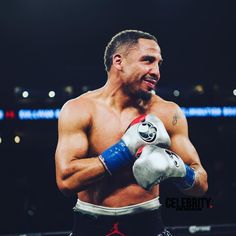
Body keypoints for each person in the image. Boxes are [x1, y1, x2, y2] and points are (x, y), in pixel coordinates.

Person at [55, 29, 208, 236]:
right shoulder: (80, 109)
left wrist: (181, 171)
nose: (156, 71)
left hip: (147, 222)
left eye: (158, 63)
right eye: (147, 60)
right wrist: (125, 150)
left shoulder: (167, 112)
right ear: (119, 62)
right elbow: (66, 182)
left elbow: (201, 185)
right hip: (92, 223)